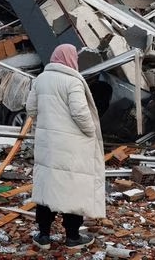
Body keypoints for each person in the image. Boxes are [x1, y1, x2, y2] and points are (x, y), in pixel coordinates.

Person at [26, 43, 105, 251]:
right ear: (70, 59)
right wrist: (91, 132)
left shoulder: (41, 79)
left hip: (48, 145)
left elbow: (31, 108)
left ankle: (43, 236)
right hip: (71, 146)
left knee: (46, 189)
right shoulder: (72, 81)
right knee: (73, 189)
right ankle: (72, 237)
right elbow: (80, 113)